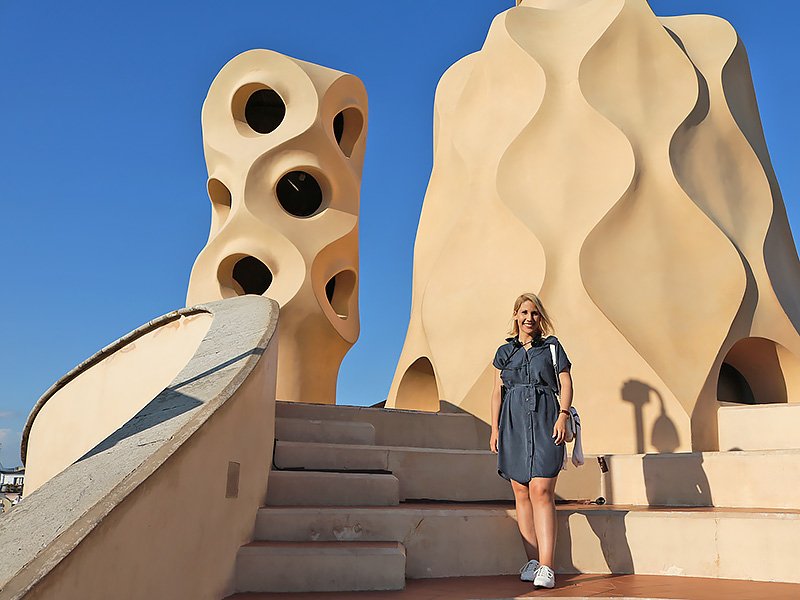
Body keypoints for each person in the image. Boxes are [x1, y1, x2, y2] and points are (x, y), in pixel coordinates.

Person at [490, 292, 573, 589]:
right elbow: (496, 392)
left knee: (541, 489)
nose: (529, 318)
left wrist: (563, 414)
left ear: (540, 318)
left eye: (535, 313)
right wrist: (495, 429)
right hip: (512, 421)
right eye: (524, 312)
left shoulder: (551, 348)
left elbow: (564, 380)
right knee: (521, 490)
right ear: (516, 316)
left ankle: (548, 566)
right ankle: (533, 562)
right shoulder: (505, 352)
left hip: (545, 417)